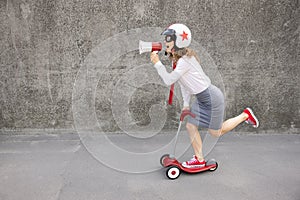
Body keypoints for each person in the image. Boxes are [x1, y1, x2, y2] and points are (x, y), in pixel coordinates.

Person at [150, 23, 259, 168]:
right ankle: (199, 159)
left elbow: (169, 80)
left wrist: (157, 64)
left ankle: (245, 115)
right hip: (201, 99)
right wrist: (186, 105)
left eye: (169, 38)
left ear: (178, 41)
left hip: (211, 98)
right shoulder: (178, 61)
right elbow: (184, 84)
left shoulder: (184, 61)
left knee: (216, 132)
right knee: (190, 126)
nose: (165, 41)